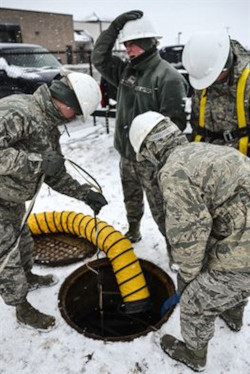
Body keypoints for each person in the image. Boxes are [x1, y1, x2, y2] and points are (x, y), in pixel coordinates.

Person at [129, 111, 250, 372]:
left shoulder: (174, 172)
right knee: (225, 274)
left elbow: (188, 236)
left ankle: (194, 355)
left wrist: (188, 275)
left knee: (196, 299)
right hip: (241, 232)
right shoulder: (202, 150)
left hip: (245, 248)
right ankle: (232, 313)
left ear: (151, 149)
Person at [0, 71, 108, 331]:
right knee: (6, 253)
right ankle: (21, 307)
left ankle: (28, 277)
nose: (76, 118)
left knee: (23, 241)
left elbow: (54, 173)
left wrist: (84, 193)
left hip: (10, 197)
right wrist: (36, 163)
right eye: (77, 112)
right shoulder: (19, 112)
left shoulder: (47, 123)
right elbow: (37, 163)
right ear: (65, 102)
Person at [92, 10, 187, 245]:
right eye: (125, 43)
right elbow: (99, 58)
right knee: (131, 199)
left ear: (147, 42)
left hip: (150, 160)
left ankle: (173, 246)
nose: (127, 48)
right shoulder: (127, 70)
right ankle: (133, 229)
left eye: (132, 43)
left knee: (161, 207)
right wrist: (114, 28)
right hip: (126, 154)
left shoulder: (168, 77)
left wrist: (154, 153)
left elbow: (175, 125)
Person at [182, 30, 250, 156]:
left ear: (226, 62)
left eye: (213, 75)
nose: (210, 81)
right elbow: (196, 125)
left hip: (243, 165)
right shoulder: (203, 78)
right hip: (206, 162)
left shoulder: (247, 83)